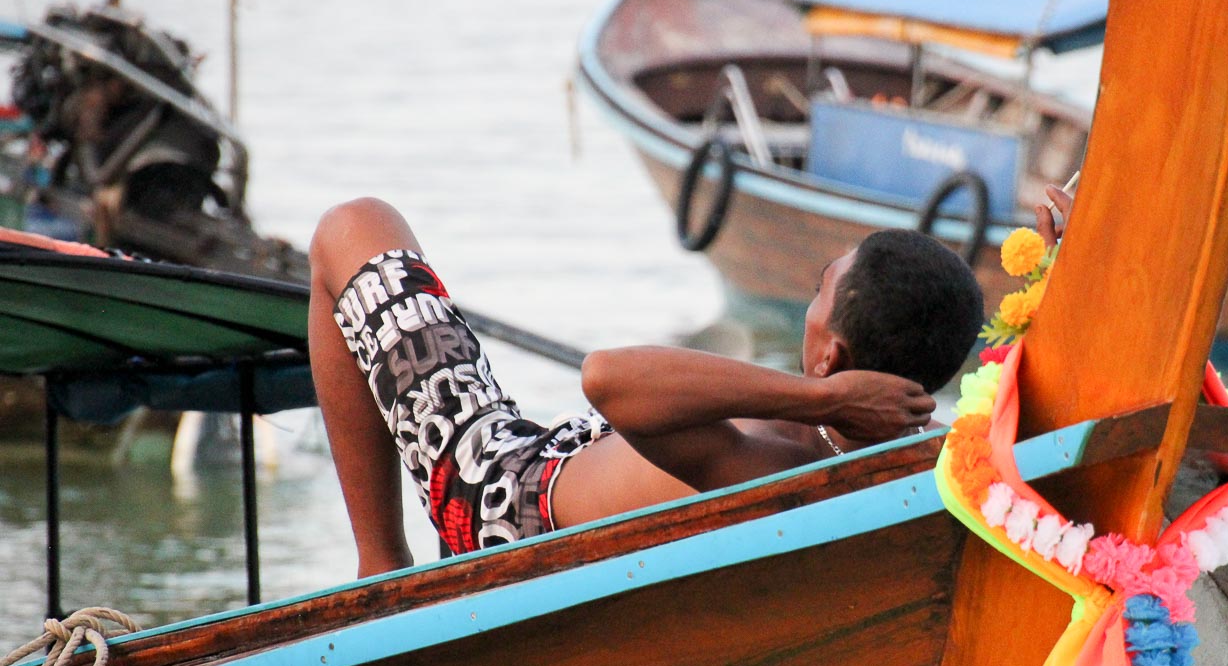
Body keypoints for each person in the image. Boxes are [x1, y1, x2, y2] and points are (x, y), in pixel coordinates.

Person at [308, 198, 985, 578]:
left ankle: (382, 568)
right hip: (555, 454)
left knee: (351, 227)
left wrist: (819, 398)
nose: (809, 306)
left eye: (817, 292)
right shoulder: (927, 447)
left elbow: (605, 377)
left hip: (497, 500)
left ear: (832, 357)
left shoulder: (777, 454)